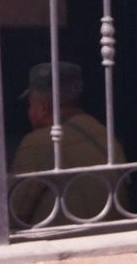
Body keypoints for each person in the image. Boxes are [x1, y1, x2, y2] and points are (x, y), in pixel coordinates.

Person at [10, 61, 126, 225]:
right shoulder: (103, 133)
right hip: (111, 235)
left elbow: (12, 211)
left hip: (62, 240)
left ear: (43, 107)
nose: (29, 112)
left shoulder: (39, 143)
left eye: (30, 105)